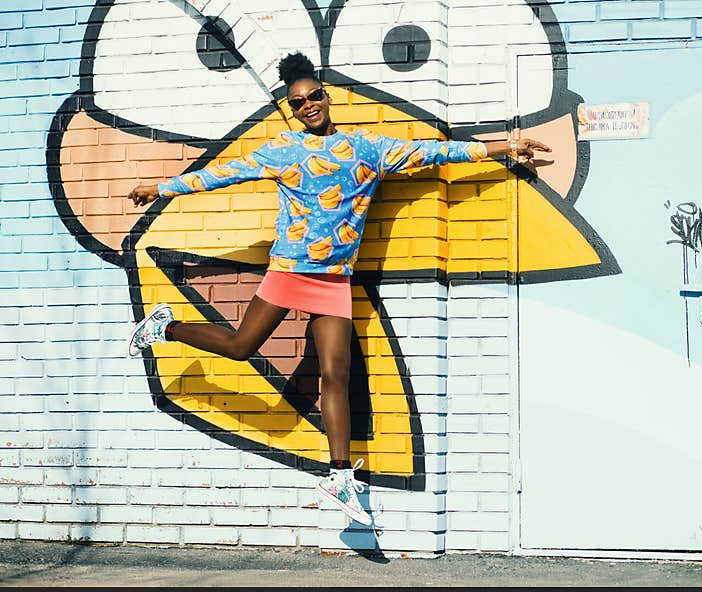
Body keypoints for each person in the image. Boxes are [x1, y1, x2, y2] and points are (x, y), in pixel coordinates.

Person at [126, 51, 550, 526]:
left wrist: (505, 146)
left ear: (327, 97)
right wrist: (161, 188)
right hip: (288, 270)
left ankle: (340, 475)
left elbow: (437, 151)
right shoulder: (283, 149)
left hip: (334, 280)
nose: (308, 105)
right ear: (292, 110)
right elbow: (222, 174)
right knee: (241, 346)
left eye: (314, 96)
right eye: (298, 102)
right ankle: (168, 326)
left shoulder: (368, 148)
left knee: (336, 373)